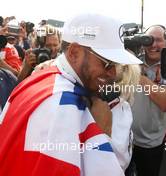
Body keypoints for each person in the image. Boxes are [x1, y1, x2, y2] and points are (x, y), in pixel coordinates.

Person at [0, 13, 142, 176]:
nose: (112, 73)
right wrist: (102, 132)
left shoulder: (41, 79)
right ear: (74, 53)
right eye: (107, 64)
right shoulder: (62, 104)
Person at [130, 24, 166, 176]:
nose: (153, 44)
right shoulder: (131, 60)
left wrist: (138, 75)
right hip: (124, 137)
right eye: (149, 39)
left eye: (159, 40)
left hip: (150, 143)